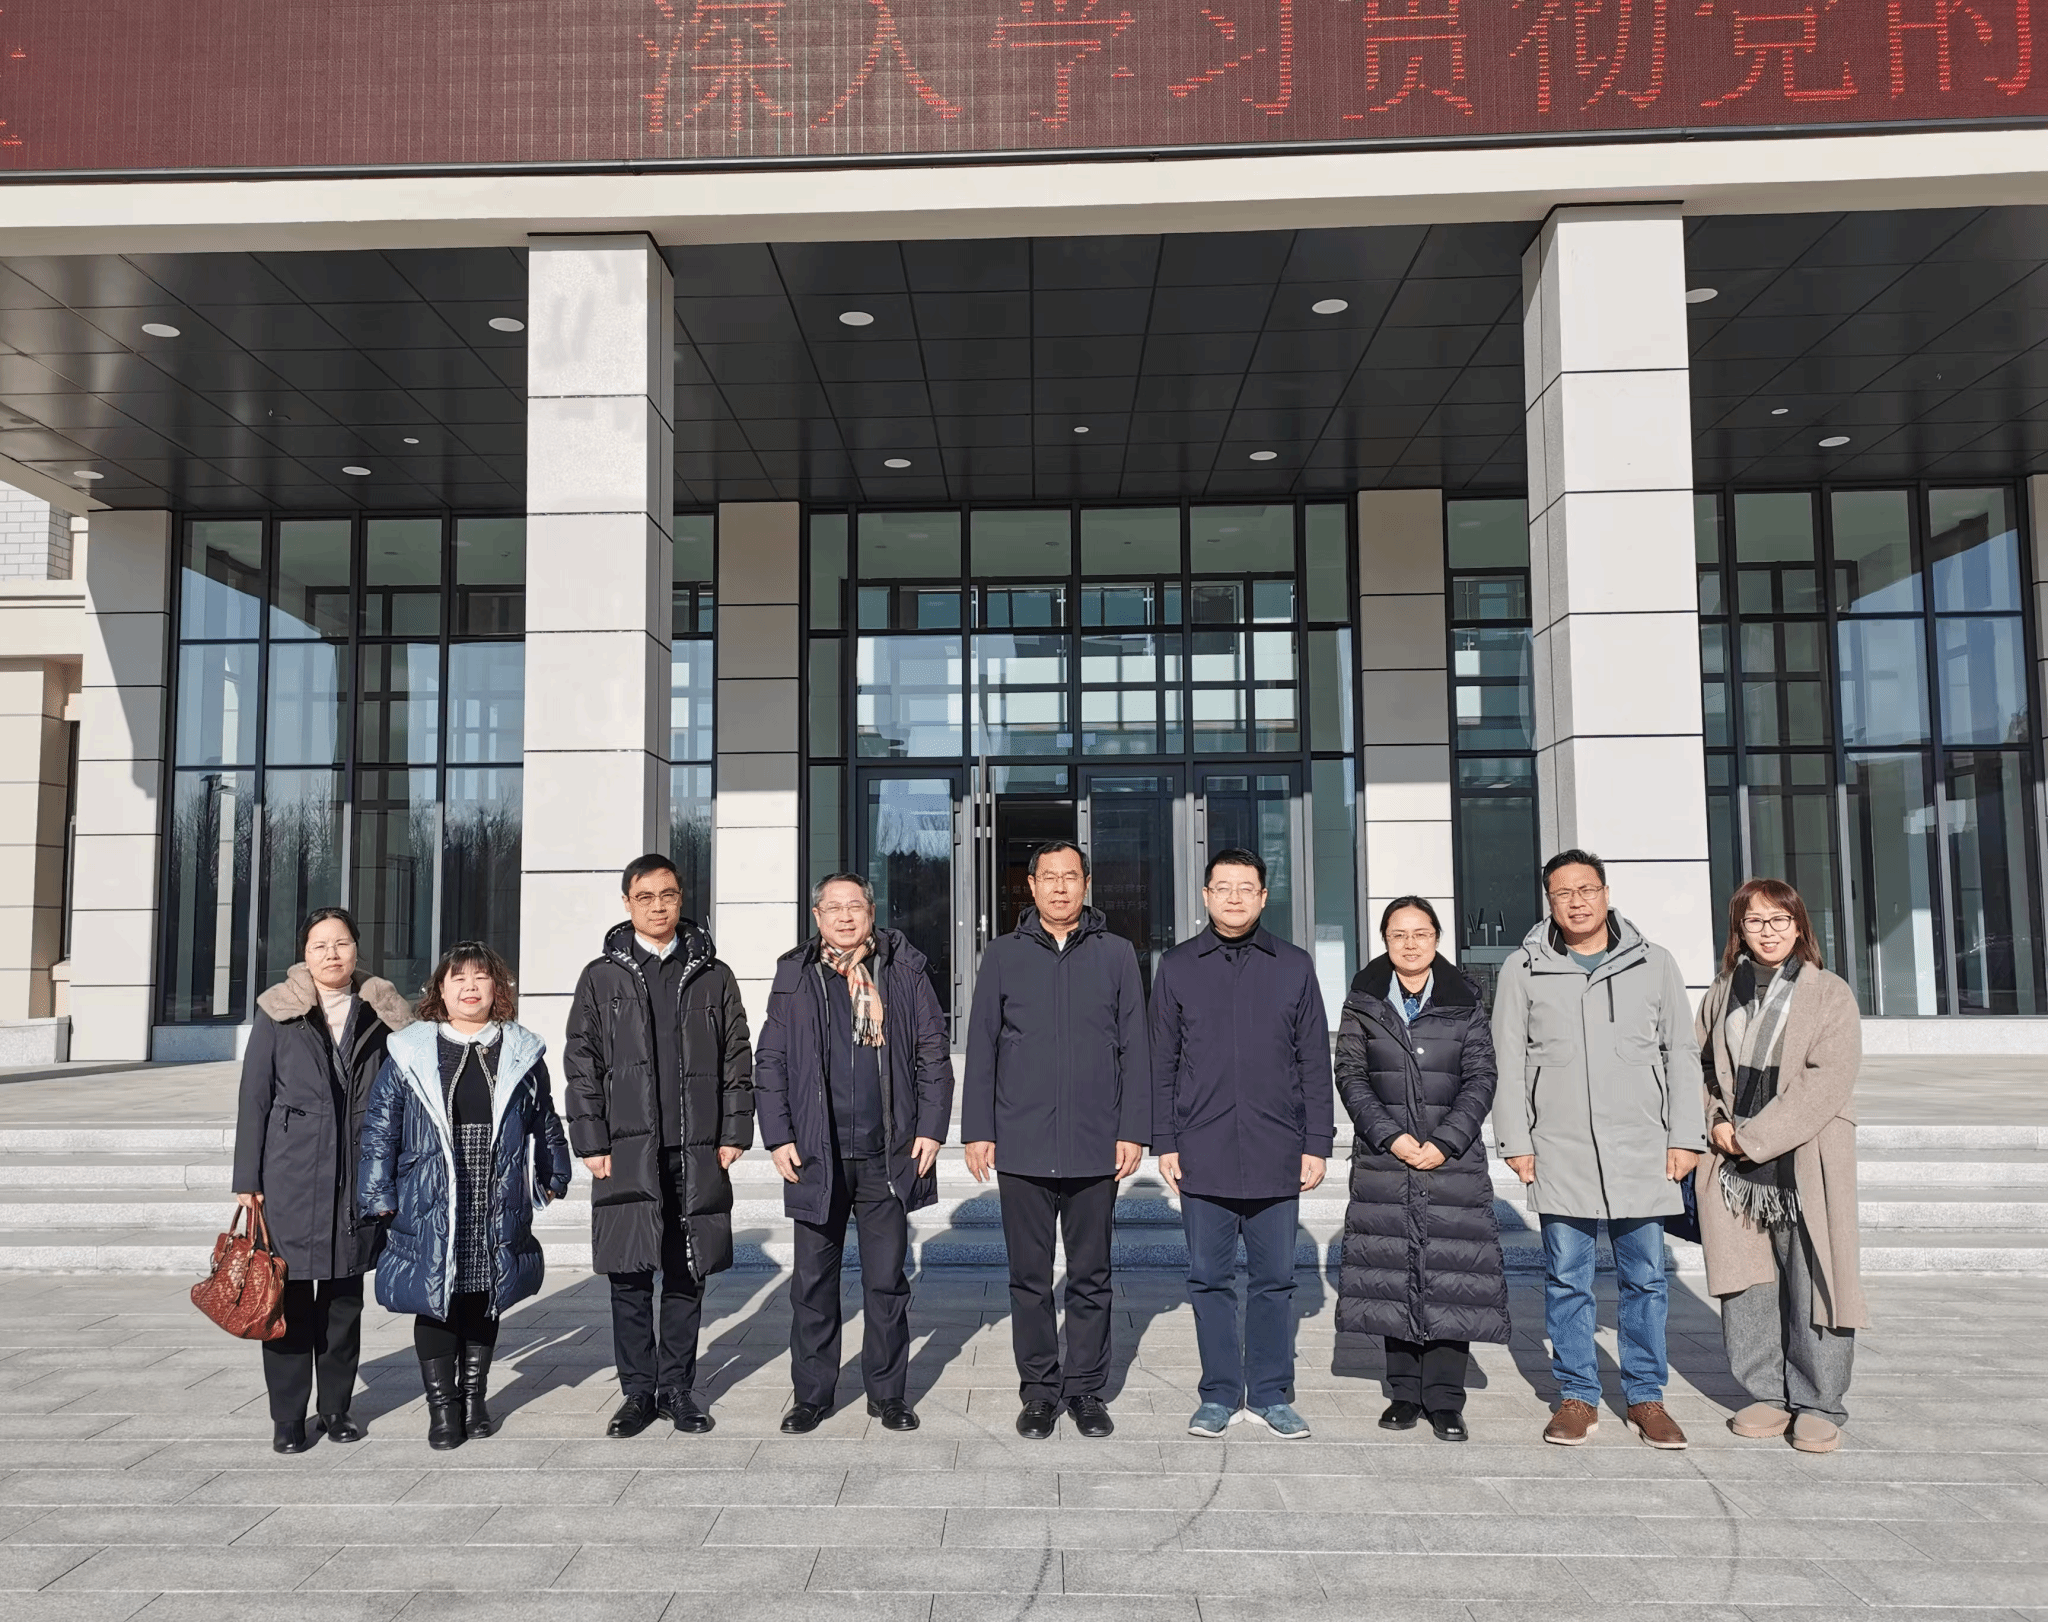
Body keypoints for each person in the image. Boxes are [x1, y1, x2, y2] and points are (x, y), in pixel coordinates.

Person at [1491, 849, 1705, 1449]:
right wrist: (1516, 1139)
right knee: (1567, 1277)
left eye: (1587, 889)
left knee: (1646, 1278)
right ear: (1549, 902)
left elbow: (1681, 1053)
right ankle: (1578, 1395)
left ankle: (1646, 1396)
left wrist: (1685, 1135)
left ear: (1606, 894)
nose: (1577, 902)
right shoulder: (1523, 968)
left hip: (1642, 1145)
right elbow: (1507, 1057)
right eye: (1563, 893)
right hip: (1560, 1147)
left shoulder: (1654, 962)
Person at [754, 873, 955, 1435]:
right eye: (833, 908)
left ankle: (888, 1395)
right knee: (812, 1284)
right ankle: (812, 1396)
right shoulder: (796, 974)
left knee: (886, 1282)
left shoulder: (904, 970)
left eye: (855, 907)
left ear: (871, 911)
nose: (845, 917)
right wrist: (778, 1136)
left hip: (885, 1153)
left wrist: (931, 1128)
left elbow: (932, 1052)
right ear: (817, 916)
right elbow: (771, 1060)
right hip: (815, 1154)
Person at [963, 840, 1149, 1441]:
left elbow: (1136, 1045)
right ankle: (1040, 1391)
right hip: (1022, 1141)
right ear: (1032, 885)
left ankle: (1087, 1389)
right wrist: (978, 1130)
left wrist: (1133, 1128)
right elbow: (982, 1044)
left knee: (1092, 1274)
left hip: (1096, 1142)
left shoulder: (1116, 954)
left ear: (1086, 884)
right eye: (1049, 877)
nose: (1061, 887)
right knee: (1029, 1277)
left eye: (1071, 876)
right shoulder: (1003, 954)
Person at [564, 853, 754, 1437]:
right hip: (625, 1150)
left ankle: (676, 1388)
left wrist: (734, 1132)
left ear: (681, 897)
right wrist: (589, 1139)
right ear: (627, 903)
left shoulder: (712, 974)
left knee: (685, 1272)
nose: (657, 906)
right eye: (644, 897)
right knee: (628, 1274)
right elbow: (581, 1061)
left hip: (695, 1150)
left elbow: (737, 1058)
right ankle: (636, 1393)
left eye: (667, 895)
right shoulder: (601, 977)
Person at [357, 942, 572, 1449]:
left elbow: (544, 1117)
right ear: (440, 989)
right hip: (429, 1189)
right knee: (435, 1296)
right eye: (458, 978)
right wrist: (377, 1191)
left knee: (483, 1294)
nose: (469, 987)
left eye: (480, 977)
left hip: (494, 1186)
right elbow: (381, 1126)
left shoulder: (521, 1050)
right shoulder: (410, 1049)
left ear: (497, 988)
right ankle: (443, 1408)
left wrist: (554, 1169)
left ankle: (475, 1400)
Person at [1150, 848, 1331, 1440]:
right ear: (1205, 896)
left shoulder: (1294, 966)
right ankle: (1220, 1394)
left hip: (1278, 1148)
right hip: (1201, 1150)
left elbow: (1314, 1060)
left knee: (1276, 1279)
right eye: (1223, 887)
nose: (1234, 897)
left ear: (1263, 896)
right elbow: (1162, 1061)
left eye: (1245, 887)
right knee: (1209, 1278)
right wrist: (1164, 1140)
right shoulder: (1178, 966)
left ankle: (1272, 1393)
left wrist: (1317, 1142)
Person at [232, 907, 412, 1454]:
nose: (332, 954)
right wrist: (247, 1178)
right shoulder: (278, 1009)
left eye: (341, 943)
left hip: (358, 1175)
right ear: (304, 955)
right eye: (320, 945)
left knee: (343, 1301)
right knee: (286, 1302)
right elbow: (254, 1096)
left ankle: (336, 1409)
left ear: (357, 948)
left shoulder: (383, 1010)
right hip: (291, 1174)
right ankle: (288, 1417)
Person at [1696, 878, 1866, 1454]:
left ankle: (1820, 1401)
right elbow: (1700, 1065)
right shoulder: (1723, 991)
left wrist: (1755, 1138)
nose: (1767, 932)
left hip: (1804, 1158)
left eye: (1778, 920)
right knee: (1747, 1282)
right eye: (1754, 921)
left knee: (1815, 1278)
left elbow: (1827, 1080)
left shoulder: (1830, 992)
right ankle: (1766, 1392)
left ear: (1798, 926)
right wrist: (1716, 1121)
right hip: (1733, 1166)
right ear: (1738, 930)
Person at [1334, 897, 1509, 1443]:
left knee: (1452, 1272)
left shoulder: (1465, 1002)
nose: (1410, 944)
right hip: (1386, 1159)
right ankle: (1404, 1393)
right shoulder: (1363, 1002)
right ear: (1385, 940)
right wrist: (1392, 1137)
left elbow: (1481, 1076)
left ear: (1437, 938)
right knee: (1393, 1270)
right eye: (1399, 934)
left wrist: (1446, 1140)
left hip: (1450, 1161)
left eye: (1421, 933)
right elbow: (1350, 1074)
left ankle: (1445, 1400)